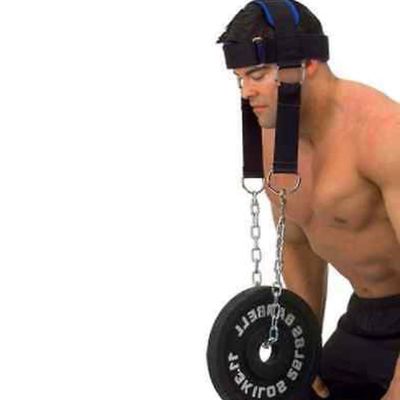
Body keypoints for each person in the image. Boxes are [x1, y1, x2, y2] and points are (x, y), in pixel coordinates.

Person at [217, 1, 400, 399]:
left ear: (308, 63)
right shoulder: (274, 143)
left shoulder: (384, 134)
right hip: (366, 317)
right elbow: (298, 246)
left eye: (257, 75)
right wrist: (303, 348)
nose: (247, 92)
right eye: (239, 79)